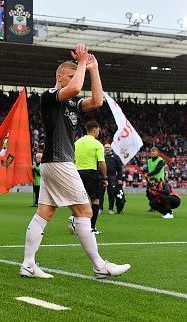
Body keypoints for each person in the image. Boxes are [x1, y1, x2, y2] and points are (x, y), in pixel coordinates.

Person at [20, 44, 130, 280]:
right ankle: (99, 266)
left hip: (54, 163)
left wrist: (94, 69)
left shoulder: (71, 103)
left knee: (44, 214)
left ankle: (28, 265)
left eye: (74, 75)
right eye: (69, 77)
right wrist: (81, 64)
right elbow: (76, 87)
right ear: (59, 77)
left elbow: (98, 101)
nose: (73, 81)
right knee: (85, 211)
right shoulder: (50, 95)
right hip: (60, 162)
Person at [74, 121, 107, 234]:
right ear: (94, 130)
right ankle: (91, 227)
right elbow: (101, 162)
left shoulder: (77, 142)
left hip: (77, 172)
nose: (99, 132)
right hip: (91, 173)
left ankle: (75, 222)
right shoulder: (97, 144)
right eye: (98, 130)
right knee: (95, 200)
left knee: (79, 200)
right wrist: (105, 178)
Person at [101, 144, 124, 214]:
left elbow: (120, 168)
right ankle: (100, 209)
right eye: (105, 147)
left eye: (108, 147)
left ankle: (111, 209)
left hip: (112, 177)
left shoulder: (116, 157)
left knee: (111, 194)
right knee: (100, 194)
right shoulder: (100, 156)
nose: (107, 148)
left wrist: (120, 179)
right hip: (101, 177)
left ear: (111, 148)